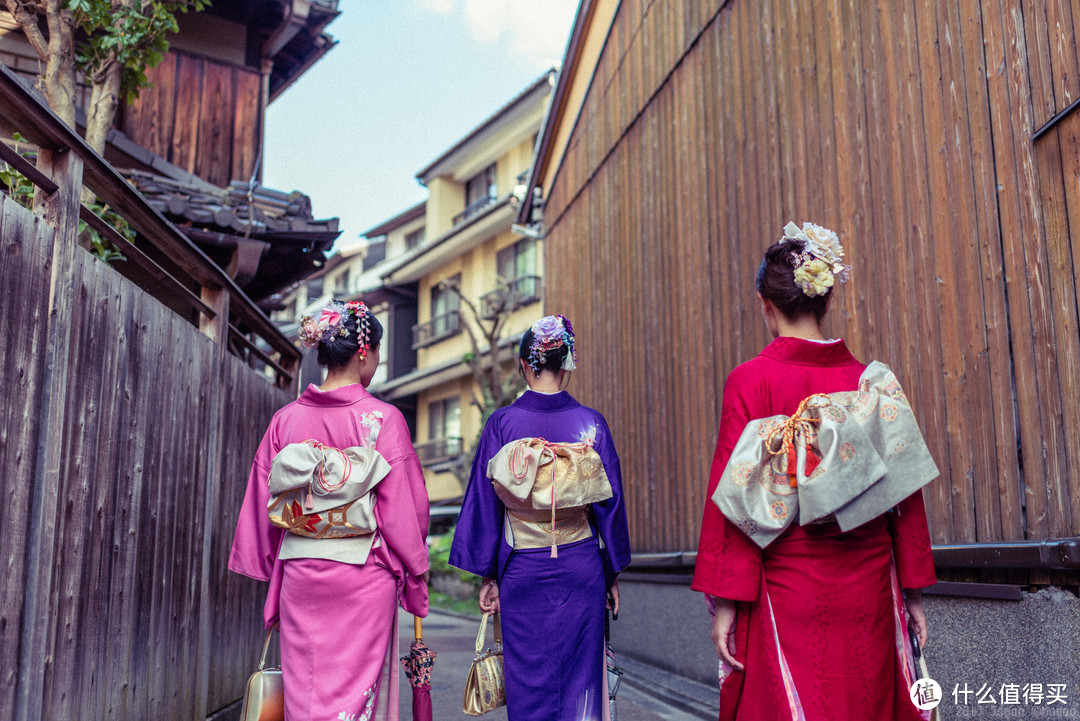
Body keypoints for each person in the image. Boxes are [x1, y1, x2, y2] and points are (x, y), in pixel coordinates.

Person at [692, 222, 938, 721]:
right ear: (825, 302)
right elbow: (904, 494)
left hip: (788, 579)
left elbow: (733, 499)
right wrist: (911, 588)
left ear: (766, 307)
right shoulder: (869, 381)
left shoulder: (750, 381)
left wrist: (726, 602)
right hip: (870, 578)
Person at [229, 300, 430, 721]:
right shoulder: (382, 419)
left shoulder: (285, 420)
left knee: (305, 691)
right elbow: (402, 510)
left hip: (301, 572)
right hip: (363, 576)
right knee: (355, 699)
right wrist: (415, 567)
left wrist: (269, 562)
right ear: (364, 352)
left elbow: (262, 503)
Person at [450, 314, 631, 721]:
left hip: (523, 566)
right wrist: (612, 571)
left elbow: (486, 501)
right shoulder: (591, 424)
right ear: (567, 363)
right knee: (581, 677)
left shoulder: (502, 423)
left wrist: (489, 575)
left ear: (524, 366)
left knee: (528, 679)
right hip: (580, 563)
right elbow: (610, 503)